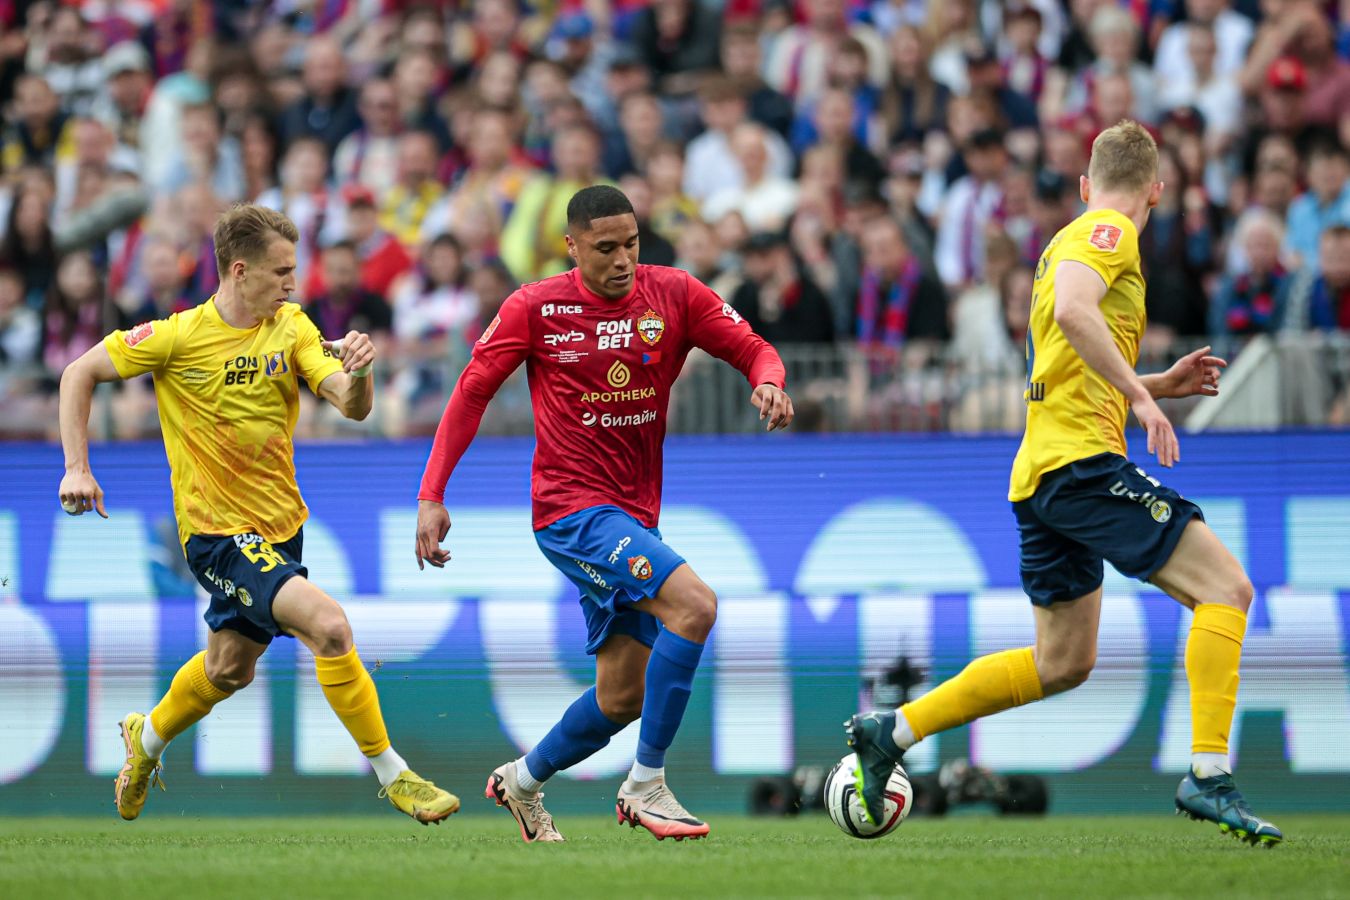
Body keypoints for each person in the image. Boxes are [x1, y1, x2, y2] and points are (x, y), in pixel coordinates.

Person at [846, 121, 1283, 846]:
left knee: (1062, 662)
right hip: (1081, 465)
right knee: (1226, 590)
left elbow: (1067, 357)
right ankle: (1209, 775)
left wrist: (1154, 383)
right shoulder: (1112, 232)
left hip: (1043, 471)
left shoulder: (1064, 240)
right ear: (1156, 191)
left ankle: (891, 730)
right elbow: (1076, 312)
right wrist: (1142, 400)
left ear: (1083, 184)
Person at [56, 204, 458, 825]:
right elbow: (77, 373)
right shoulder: (177, 336)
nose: (293, 283)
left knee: (228, 669)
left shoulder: (292, 326)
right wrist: (76, 467)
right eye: (282, 271)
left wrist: (360, 372)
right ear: (240, 271)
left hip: (282, 528)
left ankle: (146, 739)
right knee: (329, 627)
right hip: (216, 534)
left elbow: (350, 406)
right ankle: (395, 774)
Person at [415, 185, 793, 842]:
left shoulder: (674, 294)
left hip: (633, 517)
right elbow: (472, 392)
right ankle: (647, 785)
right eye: (605, 247)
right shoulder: (535, 307)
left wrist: (769, 380)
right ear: (572, 246)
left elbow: (752, 346)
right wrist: (432, 493)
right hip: (571, 511)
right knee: (694, 606)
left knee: (622, 697)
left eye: (631, 244)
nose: (622, 260)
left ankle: (521, 781)